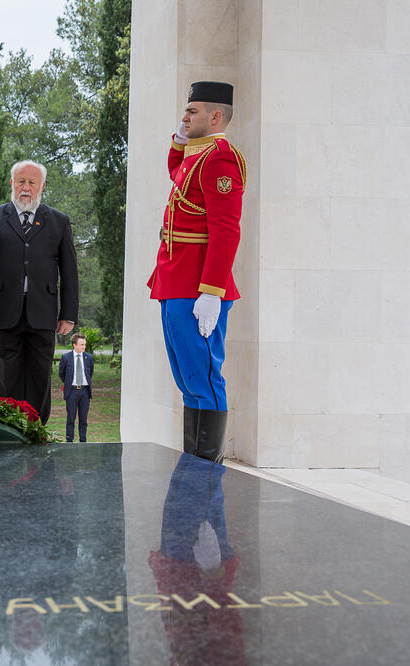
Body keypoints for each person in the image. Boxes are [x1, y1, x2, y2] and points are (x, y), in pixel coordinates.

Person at [148, 81, 246, 464]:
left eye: (193, 112)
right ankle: (195, 464)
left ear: (216, 116)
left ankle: (207, 473)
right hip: (175, 282)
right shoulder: (196, 155)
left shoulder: (221, 158)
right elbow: (177, 174)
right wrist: (179, 139)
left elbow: (226, 229)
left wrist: (212, 291)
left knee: (204, 380)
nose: (185, 117)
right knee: (188, 381)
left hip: (197, 288)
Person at [0, 160, 79, 424]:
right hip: (3, 314)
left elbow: (70, 271)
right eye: (21, 181)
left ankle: (37, 434)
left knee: (40, 378)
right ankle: (8, 433)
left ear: (42, 186)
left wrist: (68, 314)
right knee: (6, 380)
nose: (26, 188)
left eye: (32, 182)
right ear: (12, 183)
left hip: (43, 315)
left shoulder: (59, 222)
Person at [59, 333, 94, 442]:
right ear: (74, 345)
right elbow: (62, 374)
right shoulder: (66, 357)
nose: (84, 347)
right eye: (81, 344)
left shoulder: (89, 357)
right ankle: (69, 441)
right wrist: (70, 383)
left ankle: (83, 441)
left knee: (83, 419)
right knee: (71, 418)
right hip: (72, 392)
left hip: (85, 392)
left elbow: (90, 373)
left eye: (84, 344)